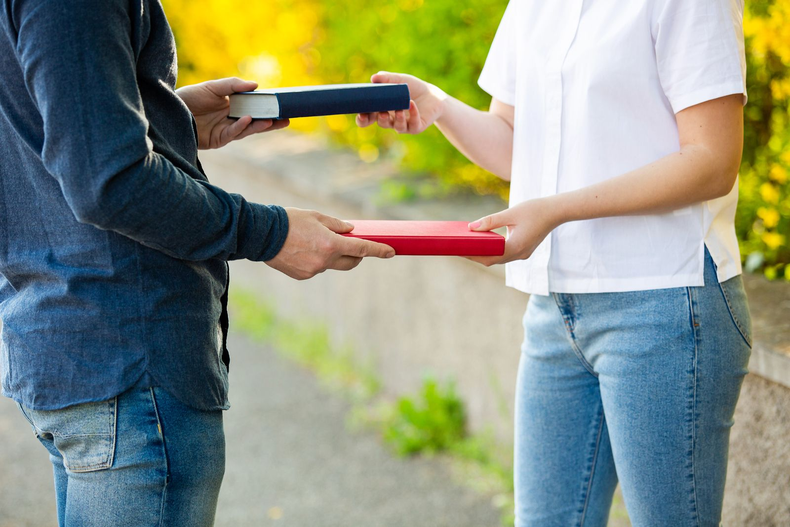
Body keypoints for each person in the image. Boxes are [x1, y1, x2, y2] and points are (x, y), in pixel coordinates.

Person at [0, 0, 394, 525]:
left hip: (68, 349)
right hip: (129, 366)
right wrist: (271, 233)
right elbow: (109, 183)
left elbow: (39, 129)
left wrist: (167, 118)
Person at [358, 0, 751, 525]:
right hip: (555, 312)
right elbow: (518, 147)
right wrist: (439, 105)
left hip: (665, 306)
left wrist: (555, 211)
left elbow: (712, 161)